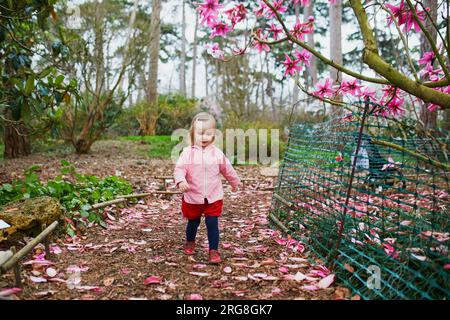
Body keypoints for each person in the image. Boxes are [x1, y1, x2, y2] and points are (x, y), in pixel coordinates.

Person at [174, 112, 241, 264]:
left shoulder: (217, 154)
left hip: (213, 196)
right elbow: (179, 169)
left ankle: (213, 250)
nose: (204, 137)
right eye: (200, 133)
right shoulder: (187, 153)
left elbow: (227, 169)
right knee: (193, 222)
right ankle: (190, 241)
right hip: (193, 195)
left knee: (212, 223)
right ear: (193, 133)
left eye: (208, 133)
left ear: (213, 135)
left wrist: (234, 182)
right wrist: (180, 181)